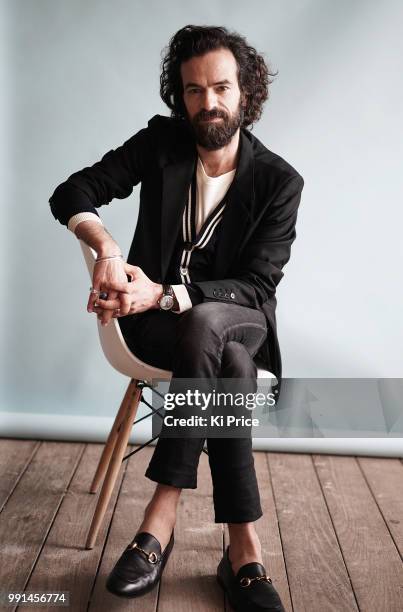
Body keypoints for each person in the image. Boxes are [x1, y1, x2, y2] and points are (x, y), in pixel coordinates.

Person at [49, 24, 303, 612]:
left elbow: (257, 285)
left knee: (212, 325)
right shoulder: (161, 143)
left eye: (220, 88)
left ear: (246, 93)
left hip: (239, 318)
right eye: (193, 90)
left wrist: (164, 292)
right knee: (223, 357)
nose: (207, 103)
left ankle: (158, 519)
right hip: (159, 329)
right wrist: (107, 251)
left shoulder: (279, 182)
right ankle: (243, 547)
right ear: (179, 95)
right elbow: (73, 192)